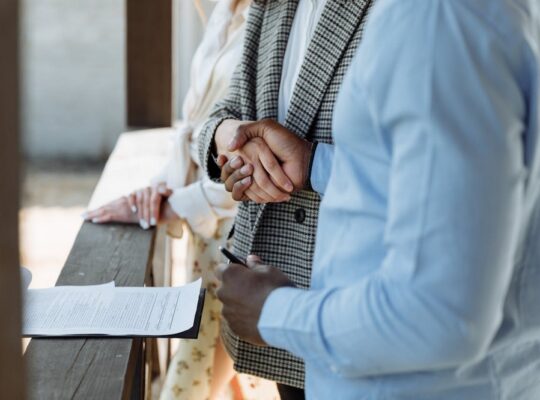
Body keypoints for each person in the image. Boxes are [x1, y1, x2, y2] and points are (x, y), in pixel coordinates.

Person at [215, 0, 540, 398]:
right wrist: (311, 162)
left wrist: (274, 312)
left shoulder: (438, 18)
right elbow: (405, 173)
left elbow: (441, 314)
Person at [198, 0, 374, 397]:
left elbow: (433, 175)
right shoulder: (271, 6)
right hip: (272, 295)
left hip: (359, 317)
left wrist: (312, 163)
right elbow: (224, 113)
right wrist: (229, 138)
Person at [84, 0, 253, 398]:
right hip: (206, 243)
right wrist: (161, 188)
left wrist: (176, 203)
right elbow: (196, 127)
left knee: (185, 389)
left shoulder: (276, 17)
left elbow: (258, 158)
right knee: (221, 383)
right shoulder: (224, 14)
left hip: (245, 244)